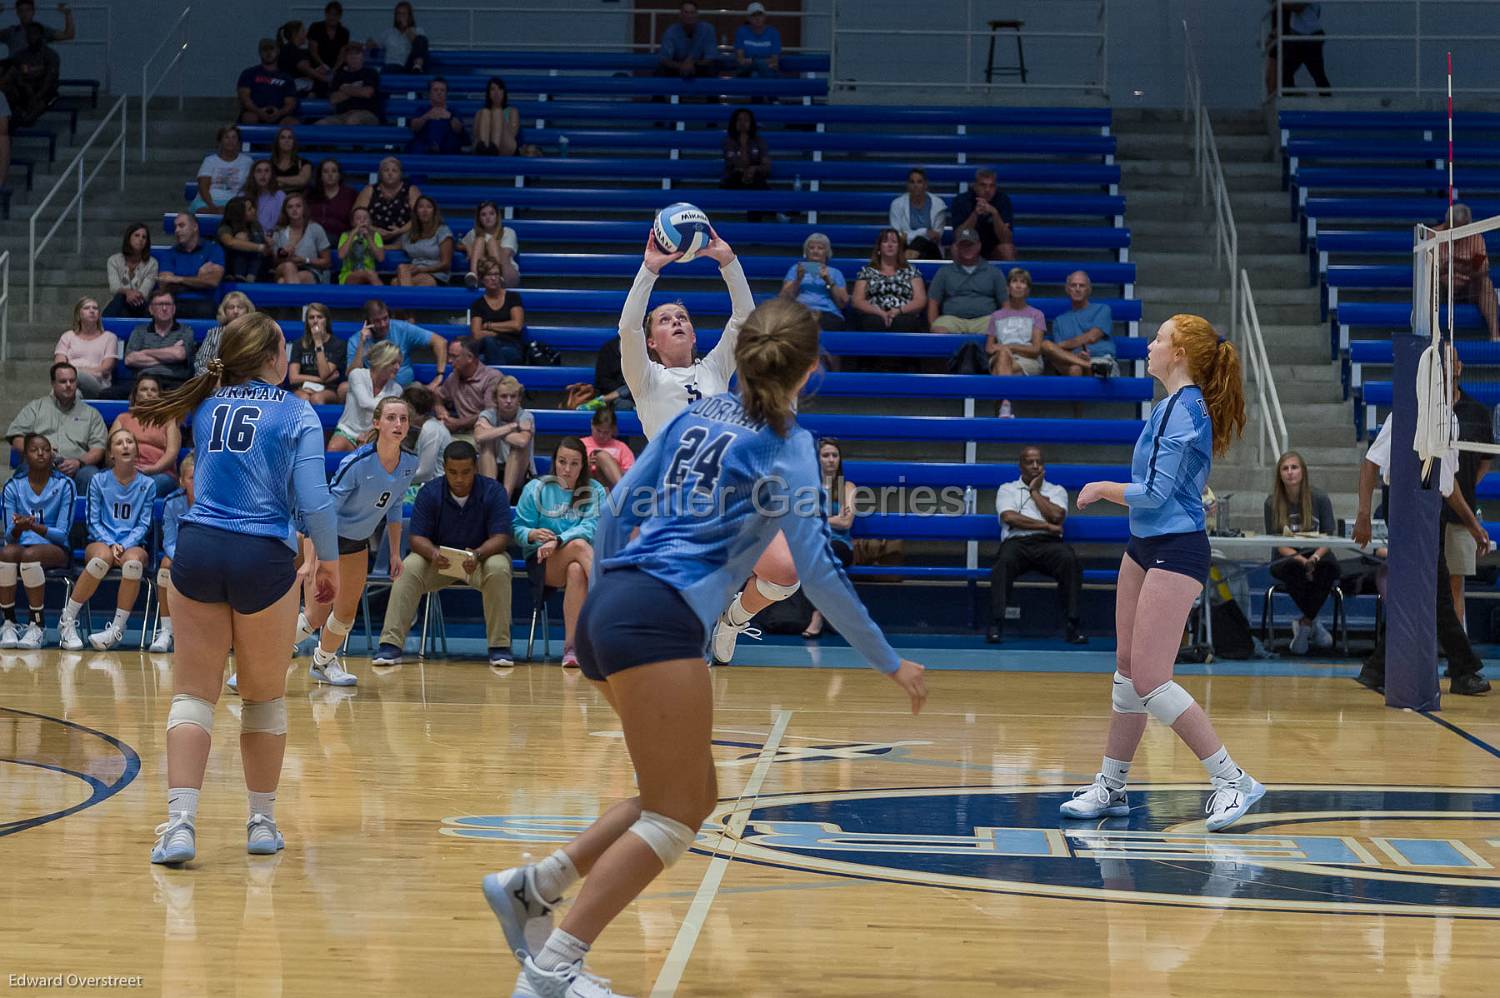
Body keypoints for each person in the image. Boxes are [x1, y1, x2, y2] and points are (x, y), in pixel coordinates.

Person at [480, 297, 928, 998]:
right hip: (656, 619)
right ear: (810, 372)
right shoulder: (789, 446)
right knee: (675, 809)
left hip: (611, 604)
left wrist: (605, 596)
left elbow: (621, 504)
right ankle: (552, 968)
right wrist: (888, 660)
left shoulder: (694, 416)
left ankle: (535, 886)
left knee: (683, 791)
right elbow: (817, 572)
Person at [137, 310, 339, 867]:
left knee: (191, 696)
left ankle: (179, 825)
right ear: (274, 358)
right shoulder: (298, 413)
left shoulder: (205, 405)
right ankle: (261, 822)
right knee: (263, 697)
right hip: (262, 557)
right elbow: (316, 502)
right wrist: (331, 566)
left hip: (198, 547)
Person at [1065, 314, 1263, 832]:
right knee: (1128, 667)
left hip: (1178, 548)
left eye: (1159, 338)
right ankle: (1111, 786)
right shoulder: (1169, 406)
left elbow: (1154, 493)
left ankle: (1232, 779)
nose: (1150, 344)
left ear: (1178, 354)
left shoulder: (1186, 409)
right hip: (1144, 545)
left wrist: (1103, 488)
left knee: (1152, 677)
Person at [620, 230, 800, 662]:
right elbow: (627, 326)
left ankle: (735, 619)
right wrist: (649, 270)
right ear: (651, 342)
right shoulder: (646, 380)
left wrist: (728, 260)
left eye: (681, 318)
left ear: (695, 335)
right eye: (665, 320)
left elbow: (745, 319)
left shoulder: (715, 366)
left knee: (786, 576)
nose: (676, 322)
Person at [1353, 411, 1491, 696]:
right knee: (1437, 590)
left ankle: (1377, 668)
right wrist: (1364, 514)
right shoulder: (1407, 412)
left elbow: (1447, 484)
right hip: (1405, 503)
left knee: (1417, 594)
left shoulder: (1450, 418)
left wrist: (1474, 525)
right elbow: (1370, 463)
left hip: (1432, 507)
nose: (1454, 373)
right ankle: (1463, 669)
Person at [303, 396, 416, 687]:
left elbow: (394, 505)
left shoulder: (409, 463)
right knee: (314, 616)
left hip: (356, 544)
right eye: (391, 418)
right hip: (328, 541)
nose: (398, 424)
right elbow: (323, 512)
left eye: (403, 418)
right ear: (377, 423)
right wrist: (312, 561)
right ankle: (256, 667)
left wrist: (394, 554)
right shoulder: (356, 463)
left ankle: (323, 663)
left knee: (344, 615)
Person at [372, 440, 513, 667]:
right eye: (453, 472)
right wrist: (434, 553)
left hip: (480, 560)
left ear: (476, 468)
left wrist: (478, 553)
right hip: (439, 562)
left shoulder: (493, 491)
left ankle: (500, 647)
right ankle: (390, 645)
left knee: (499, 566)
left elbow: (502, 537)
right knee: (409, 567)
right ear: (444, 469)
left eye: (466, 472)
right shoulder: (430, 492)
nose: (459, 479)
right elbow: (416, 537)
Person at [54, 429, 154, 651]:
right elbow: (93, 521)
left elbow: (144, 524)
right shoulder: (98, 480)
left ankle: (116, 629)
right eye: (119, 443)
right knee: (102, 557)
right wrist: (111, 543)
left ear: (136, 450)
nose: (125, 446)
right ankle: (67, 620)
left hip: (133, 543)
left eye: (130, 442)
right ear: (111, 453)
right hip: (101, 541)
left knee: (134, 563)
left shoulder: (148, 484)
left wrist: (125, 544)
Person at [513, 436, 605, 668]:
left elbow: (592, 527)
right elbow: (518, 529)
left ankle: (572, 648)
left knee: (576, 567)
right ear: (554, 461)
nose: (567, 468)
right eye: (562, 461)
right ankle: (609, 603)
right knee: (579, 546)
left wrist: (559, 540)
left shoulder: (594, 490)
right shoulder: (536, 488)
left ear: (583, 464)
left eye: (574, 463)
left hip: (580, 563)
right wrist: (532, 535)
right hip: (543, 563)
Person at [986, 446, 1086, 645]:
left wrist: (1034, 491)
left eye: (1039, 462)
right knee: (1003, 562)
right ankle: (996, 624)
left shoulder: (1056, 490)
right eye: (1029, 462)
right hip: (1017, 541)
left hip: (1049, 543)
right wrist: (1047, 525)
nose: (1035, 466)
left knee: (1070, 561)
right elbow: (1009, 517)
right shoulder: (1007, 489)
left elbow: (1058, 516)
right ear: (1020, 465)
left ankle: (1072, 625)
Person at [0, 433, 76, 649]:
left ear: (52, 453)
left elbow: (62, 534)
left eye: (46, 449)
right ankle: (9, 622)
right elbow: (8, 536)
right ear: (25, 455)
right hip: (21, 545)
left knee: (29, 556)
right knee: (5, 554)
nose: (41, 453)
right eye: (35, 449)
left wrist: (35, 527)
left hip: (56, 549)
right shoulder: (13, 486)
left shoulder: (65, 485)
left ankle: (37, 625)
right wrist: (19, 528)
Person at [1264, 449, 1339, 653]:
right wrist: (1302, 561)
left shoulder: (1320, 498)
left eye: (1294, 467)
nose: (1290, 472)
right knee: (1292, 571)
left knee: (1329, 569)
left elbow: (1330, 537)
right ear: (1279, 474)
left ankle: (1305, 623)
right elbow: (1278, 543)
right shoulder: (1272, 502)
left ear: (1303, 472)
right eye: (1285, 468)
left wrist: (1314, 558)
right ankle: (1312, 623)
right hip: (1288, 556)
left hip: (1318, 553)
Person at [5, 362, 106, 491]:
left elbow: (98, 449)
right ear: (53, 384)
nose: (68, 385)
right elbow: (16, 437)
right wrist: (39, 451)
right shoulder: (36, 407)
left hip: (78, 468)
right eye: (63, 381)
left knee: (91, 475)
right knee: (25, 471)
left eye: (72, 381)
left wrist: (79, 463)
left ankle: (81, 511)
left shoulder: (92, 414)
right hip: (40, 464)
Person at [1446, 356, 1492, 627]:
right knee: (1425, 582)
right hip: (1429, 512)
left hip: (1461, 515)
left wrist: (1463, 491)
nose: (1446, 367)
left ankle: (1455, 651)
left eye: (1450, 361)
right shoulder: (1426, 410)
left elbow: (1486, 460)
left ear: (1460, 367)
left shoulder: (1477, 412)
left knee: (1456, 583)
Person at [801, 437, 856, 639]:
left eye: (835, 455)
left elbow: (846, 523)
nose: (831, 459)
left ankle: (817, 617)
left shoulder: (848, 488)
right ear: (817, 459)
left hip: (839, 545)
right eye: (826, 455)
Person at [985, 267, 1045, 418]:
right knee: (1003, 356)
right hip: (1001, 357)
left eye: (1023, 282)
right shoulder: (996, 316)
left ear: (1028, 289)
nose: (1018, 285)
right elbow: (989, 347)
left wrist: (1010, 346)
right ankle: (1006, 403)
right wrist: (1005, 350)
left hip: (1028, 360)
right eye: (1014, 281)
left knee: (1002, 365)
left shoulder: (1037, 315)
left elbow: (1036, 349)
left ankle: (1001, 403)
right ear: (1007, 287)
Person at [150, 452, 195, 653]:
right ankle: (167, 630)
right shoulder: (173, 502)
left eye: (201, 477)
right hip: (181, 555)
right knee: (166, 564)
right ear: (182, 481)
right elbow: (169, 541)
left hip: (208, 554)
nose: (197, 482)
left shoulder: (214, 502)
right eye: (192, 478)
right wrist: (184, 560)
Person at [347, 298, 446, 387]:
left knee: (419, 389)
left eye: (385, 318)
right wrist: (362, 343)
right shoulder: (356, 340)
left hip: (405, 389)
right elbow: (352, 375)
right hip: (372, 390)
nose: (383, 324)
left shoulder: (402, 328)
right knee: (344, 389)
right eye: (377, 321)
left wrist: (439, 375)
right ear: (367, 321)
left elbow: (440, 342)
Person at [109, 376, 181, 496]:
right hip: (125, 471)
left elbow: (172, 453)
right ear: (136, 396)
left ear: (159, 396)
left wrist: (152, 469)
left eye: (154, 390)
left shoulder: (169, 420)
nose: (149, 393)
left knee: (154, 484)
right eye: (144, 389)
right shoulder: (122, 419)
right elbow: (110, 449)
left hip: (159, 474)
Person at [1436, 204, 1499, 340]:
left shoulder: (1476, 239)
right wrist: (1446, 268)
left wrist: (1457, 267)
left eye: (1461, 229)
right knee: (1429, 283)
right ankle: (1430, 336)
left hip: (1467, 287)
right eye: (1454, 228)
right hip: (1442, 288)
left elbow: (1481, 269)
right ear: (1447, 224)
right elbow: (1428, 269)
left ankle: (1495, 336)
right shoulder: (1433, 236)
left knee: (1486, 283)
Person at [926, 228, 1005, 335]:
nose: (967, 248)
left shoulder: (994, 272)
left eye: (970, 244)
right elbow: (933, 301)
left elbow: (1005, 303)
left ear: (979, 246)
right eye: (963, 245)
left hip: (985, 320)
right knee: (939, 330)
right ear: (957, 247)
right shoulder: (944, 272)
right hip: (952, 320)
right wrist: (933, 325)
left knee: (1000, 329)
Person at [851, 228, 927, 334]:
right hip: (874, 314)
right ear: (879, 247)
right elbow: (857, 301)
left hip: (904, 314)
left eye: (894, 242)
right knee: (873, 322)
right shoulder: (866, 271)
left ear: (899, 248)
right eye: (885, 241)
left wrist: (898, 311)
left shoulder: (911, 271)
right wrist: (880, 312)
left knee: (903, 322)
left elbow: (920, 300)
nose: (890, 245)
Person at [1043, 270, 1117, 378]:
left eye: (1081, 286)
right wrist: (1076, 356)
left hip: (1101, 359)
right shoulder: (1059, 321)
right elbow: (1059, 352)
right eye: (1073, 285)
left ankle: (1091, 366)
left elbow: (1092, 337)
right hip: (1074, 360)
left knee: (1075, 367)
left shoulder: (1103, 309)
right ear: (1067, 289)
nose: (1077, 289)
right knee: (1073, 367)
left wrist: (1062, 345)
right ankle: (1089, 366)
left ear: (1089, 289)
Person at [331, 341, 402, 452]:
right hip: (348, 431)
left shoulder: (397, 389)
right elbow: (364, 402)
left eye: (399, 363)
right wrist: (389, 409)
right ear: (382, 361)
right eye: (393, 363)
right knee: (335, 447)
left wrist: (371, 435)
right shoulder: (357, 375)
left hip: (374, 435)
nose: (398, 367)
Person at [474, 375, 535, 497]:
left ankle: (504, 500)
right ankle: (490, 495)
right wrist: (512, 427)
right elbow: (479, 436)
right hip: (491, 469)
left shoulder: (526, 416)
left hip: (519, 474)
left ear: (519, 399)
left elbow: (522, 441)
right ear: (496, 399)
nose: (508, 401)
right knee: (487, 442)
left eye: (513, 396)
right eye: (503, 396)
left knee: (517, 447)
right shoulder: (487, 414)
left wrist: (492, 430)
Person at [155, 213, 225, 319]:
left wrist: (179, 279)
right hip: (176, 303)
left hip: (205, 302)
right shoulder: (169, 254)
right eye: (175, 227)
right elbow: (165, 284)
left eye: (181, 225)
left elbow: (212, 281)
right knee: (158, 309)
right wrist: (199, 278)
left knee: (206, 310)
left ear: (195, 227)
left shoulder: (214, 250)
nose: (177, 230)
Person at [125, 289, 196, 388]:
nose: (164, 308)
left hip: (175, 382)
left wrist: (145, 352)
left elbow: (179, 354)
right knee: (108, 394)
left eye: (168, 304)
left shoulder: (186, 331)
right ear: (151, 309)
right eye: (159, 304)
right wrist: (170, 356)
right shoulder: (139, 331)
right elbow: (130, 359)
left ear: (174, 309)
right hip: (144, 381)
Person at [780, 233, 849, 331]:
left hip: (827, 313)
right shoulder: (795, 269)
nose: (815, 251)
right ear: (806, 251)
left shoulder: (835, 272)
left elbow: (843, 303)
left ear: (827, 252)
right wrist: (798, 280)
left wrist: (828, 280)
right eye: (811, 248)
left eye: (820, 248)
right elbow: (784, 298)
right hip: (800, 312)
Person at [53, 295, 117, 398]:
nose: (92, 311)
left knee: (69, 378)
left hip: (98, 384)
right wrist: (88, 370)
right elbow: (59, 365)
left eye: (95, 308)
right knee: (75, 394)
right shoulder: (67, 336)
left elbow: (105, 368)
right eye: (87, 308)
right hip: (71, 383)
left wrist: (77, 370)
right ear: (79, 314)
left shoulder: (109, 337)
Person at [948, 167, 1016, 262]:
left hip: (993, 249)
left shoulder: (1003, 200)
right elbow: (958, 236)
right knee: (956, 248)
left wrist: (995, 214)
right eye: (983, 185)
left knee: (1007, 249)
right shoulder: (961, 201)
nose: (987, 190)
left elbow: (1006, 239)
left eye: (991, 186)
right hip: (969, 245)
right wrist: (975, 214)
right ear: (975, 186)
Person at [436, 337, 501, 435]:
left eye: (454, 356)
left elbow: (491, 413)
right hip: (461, 433)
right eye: (449, 356)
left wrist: (459, 423)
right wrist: (439, 407)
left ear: (470, 357)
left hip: (486, 434)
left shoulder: (492, 378)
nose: (449, 360)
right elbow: (438, 394)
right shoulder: (454, 376)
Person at [468, 260, 525, 365]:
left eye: (496, 274)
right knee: (487, 344)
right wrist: (499, 331)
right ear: (481, 279)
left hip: (511, 346)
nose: (493, 278)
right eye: (489, 275)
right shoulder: (478, 305)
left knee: (481, 359)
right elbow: (476, 334)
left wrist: (488, 325)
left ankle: (493, 377)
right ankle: (498, 379)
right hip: (487, 347)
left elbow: (517, 325)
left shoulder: (512, 297)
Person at [1268, 2, 1331, 98]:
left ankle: (1327, 100)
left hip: (1311, 37)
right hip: (1297, 36)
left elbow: (1298, 7)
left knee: (1317, 73)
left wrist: (1278, 2)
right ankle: (1288, 99)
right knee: (1285, 72)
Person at [287, 301, 345, 404]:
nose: (315, 321)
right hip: (303, 388)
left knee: (317, 398)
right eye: (311, 317)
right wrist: (320, 380)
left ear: (326, 320)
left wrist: (318, 342)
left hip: (328, 389)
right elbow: (293, 378)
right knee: (303, 399)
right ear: (307, 322)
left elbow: (324, 374)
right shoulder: (299, 344)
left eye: (319, 317)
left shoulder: (337, 344)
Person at [355, 156, 421, 244]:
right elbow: (356, 216)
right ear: (380, 174)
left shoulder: (411, 190)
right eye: (386, 170)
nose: (390, 173)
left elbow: (418, 216)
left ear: (400, 174)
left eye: (394, 170)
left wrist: (400, 230)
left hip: (403, 235)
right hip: (371, 233)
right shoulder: (369, 189)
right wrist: (374, 229)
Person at [271, 192, 332, 285]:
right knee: (289, 266)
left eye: (298, 206)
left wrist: (305, 260)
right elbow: (275, 262)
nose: (294, 209)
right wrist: (283, 255)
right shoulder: (279, 232)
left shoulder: (315, 229)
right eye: (290, 207)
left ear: (304, 209)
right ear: (285, 211)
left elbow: (327, 262)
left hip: (310, 270)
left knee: (282, 282)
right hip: (283, 269)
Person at [191, 126, 254, 214]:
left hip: (235, 202)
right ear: (220, 141)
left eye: (234, 137)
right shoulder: (210, 160)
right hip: (208, 202)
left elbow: (250, 186)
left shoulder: (247, 161)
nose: (230, 141)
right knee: (202, 211)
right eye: (226, 137)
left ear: (239, 141)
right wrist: (212, 207)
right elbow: (203, 187)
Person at [721, 108, 771, 218]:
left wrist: (753, 169)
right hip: (734, 179)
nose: (743, 123)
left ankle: (756, 222)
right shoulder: (728, 142)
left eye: (746, 120)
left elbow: (766, 166)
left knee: (757, 184)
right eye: (739, 120)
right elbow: (738, 164)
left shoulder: (759, 141)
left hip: (754, 178)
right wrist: (743, 143)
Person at [236, 39, 299, 125]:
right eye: (265, 49)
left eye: (271, 49)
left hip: (279, 116)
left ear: (278, 51)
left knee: (292, 123)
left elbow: (290, 103)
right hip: (254, 113)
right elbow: (244, 98)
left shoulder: (287, 78)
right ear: (260, 53)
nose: (268, 52)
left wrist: (279, 113)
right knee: (250, 118)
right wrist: (259, 112)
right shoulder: (248, 73)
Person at [889, 168, 947, 260]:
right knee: (917, 245)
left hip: (931, 251)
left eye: (919, 182)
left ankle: (907, 268)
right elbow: (897, 237)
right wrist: (924, 232)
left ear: (925, 185)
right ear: (907, 185)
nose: (915, 185)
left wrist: (908, 236)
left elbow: (936, 237)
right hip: (904, 248)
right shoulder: (897, 204)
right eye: (912, 182)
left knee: (920, 241)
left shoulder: (938, 205)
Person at [460, 200, 520, 290]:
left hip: (506, 274)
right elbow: (458, 244)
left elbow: (505, 254)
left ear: (497, 216)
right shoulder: (473, 233)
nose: (488, 217)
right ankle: (474, 276)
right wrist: (468, 248)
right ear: (479, 219)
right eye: (483, 215)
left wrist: (490, 243)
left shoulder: (508, 232)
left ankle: (497, 275)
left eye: (491, 214)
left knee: (491, 243)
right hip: (484, 276)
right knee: (480, 239)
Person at [403, 384, 451, 494]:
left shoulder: (431, 430)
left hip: (436, 487)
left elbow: (425, 473)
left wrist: (394, 479)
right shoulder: (422, 427)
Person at [195, 291, 254, 380]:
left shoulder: (256, 335)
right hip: (216, 384)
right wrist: (216, 379)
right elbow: (201, 364)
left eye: (240, 307)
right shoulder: (214, 333)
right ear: (224, 311)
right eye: (231, 307)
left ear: (247, 310)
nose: (235, 311)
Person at [395, 195, 453, 286]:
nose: (425, 211)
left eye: (429, 207)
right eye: (421, 207)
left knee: (398, 283)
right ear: (416, 212)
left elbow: (446, 264)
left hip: (435, 275)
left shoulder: (443, 231)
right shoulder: (409, 234)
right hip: (414, 273)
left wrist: (421, 269)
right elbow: (393, 246)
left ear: (434, 211)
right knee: (401, 269)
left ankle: (407, 296)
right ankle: (408, 296)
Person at [104, 223, 158, 318]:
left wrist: (130, 293)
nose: (140, 239)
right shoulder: (113, 260)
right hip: (119, 303)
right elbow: (114, 288)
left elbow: (144, 292)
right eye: (137, 235)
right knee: (120, 298)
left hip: (141, 305)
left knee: (135, 302)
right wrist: (127, 292)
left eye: (144, 237)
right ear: (128, 238)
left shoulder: (152, 263)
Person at [319, 43, 381, 125]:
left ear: (363, 57)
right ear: (345, 58)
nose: (353, 57)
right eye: (350, 54)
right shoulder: (339, 75)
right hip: (342, 115)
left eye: (357, 53)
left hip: (367, 114)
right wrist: (357, 89)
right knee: (320, 124)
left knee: (353, 120)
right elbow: (334, 99)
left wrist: (344, 88)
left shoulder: (370, 73)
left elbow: (367, 93)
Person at [217, 196, 272, 283]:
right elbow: (230, 242)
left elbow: (266, 250)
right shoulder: (225, 227)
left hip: (257, 267)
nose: (254, 210)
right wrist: (259, 247)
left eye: (253, 207)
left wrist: (267, 244)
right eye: (249, 209)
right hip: (230, 269)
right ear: (240, 214)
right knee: (240, 241)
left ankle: (252, 276)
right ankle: (238, 276)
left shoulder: (255, 225)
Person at [407, 77, 467, 155]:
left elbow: (458, 129)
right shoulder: (422, 110)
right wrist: (427, 116)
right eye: (435, 90)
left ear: (446, 94)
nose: (439, 93)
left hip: (448, 151)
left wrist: (450, 116)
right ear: (429, 93)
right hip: (424, 149)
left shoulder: (453, 111)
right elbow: (414, 127)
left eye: (442, 90)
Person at [580, 404, 633, 489]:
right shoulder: (581, 444)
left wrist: (611, 465)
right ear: (592, 425)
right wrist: (586, 464)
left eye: (606, 432)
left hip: (611, 489)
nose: (601, 435)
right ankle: (622, 491)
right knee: (599, 456)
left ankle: (621, 490)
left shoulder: (621, 447)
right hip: (588, 487)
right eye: (598, 430)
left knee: (602, 456)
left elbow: (631, 475)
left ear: (613, 430)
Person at [657, 0, 716, 78]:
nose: (689, 16)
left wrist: (693, 63)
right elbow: (665, 59)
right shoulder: (671, 31)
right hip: (677, 67)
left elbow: (710, 57)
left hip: (699, 66)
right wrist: (682, 65)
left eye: (692, 12)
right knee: (660, 70)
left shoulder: (707, 29)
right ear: (680, 15)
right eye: (686, 12)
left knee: (712, 67)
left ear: (697, 15)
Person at [307, 158, 359, 245]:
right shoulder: (310, 195)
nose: (330, 174)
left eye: (334, 171)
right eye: (326, 172)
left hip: (341, 237)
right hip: (313, 235)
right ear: (320, 176)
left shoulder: (350, 194)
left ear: (339, 175)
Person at [369, 1, 428, 74]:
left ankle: (417, 66)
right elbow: (376, 45)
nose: (401, 16)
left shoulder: (418, 30)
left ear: (409, 16)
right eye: (398, 13)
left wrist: (406, 28)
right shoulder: (388, 32)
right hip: (392, 66)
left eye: (404, 14)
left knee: (422, 39)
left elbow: (419, 45)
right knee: (390, 68)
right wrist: (370, 43)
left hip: (409, 66)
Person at [276, 20, 330, 98]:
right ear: (295, 34)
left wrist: (318, 71)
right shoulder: (290, 49)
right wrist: (326, 79)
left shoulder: (293, 49)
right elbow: (306, 69)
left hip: (295, 84)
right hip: (292, 88)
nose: (306, 33)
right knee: (323, 84)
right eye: (303, 31)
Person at [337, 204, 384, 285]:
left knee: (370, 274)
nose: (362, 221)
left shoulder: (375, 235)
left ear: (370, 221)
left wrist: (368, 237)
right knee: (370, 274)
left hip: (370, 274)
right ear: (352, 222)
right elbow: (341, 256)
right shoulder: (345, 235)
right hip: (349, 274)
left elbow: (380, 258)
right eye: (358, 218)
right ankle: (385, 296)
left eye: (365, 218)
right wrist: (352, 234)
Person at [472, 77, 520, 157]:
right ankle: (486, 150)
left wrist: (497, 122)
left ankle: (493, 149)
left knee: (497, 112)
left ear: (504, 92)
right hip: (485, 144)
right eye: (492, 89)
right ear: (489, 93)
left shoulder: (512, 111)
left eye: (500, 89)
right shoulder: (480, 112)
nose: (496, 92)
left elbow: (512, 134)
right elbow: (475, 136)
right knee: (485, 112)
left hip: (506, 146)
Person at [734, 3, 781, 77]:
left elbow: (774, 60)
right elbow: (740, 59)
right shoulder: (741, 32)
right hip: (746, 70)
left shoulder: (773, 33)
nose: (757, 18)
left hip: (767, 70)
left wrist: (754, 62)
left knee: (762, 68)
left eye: (760, 15)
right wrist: (761, 62)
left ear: (765, 17)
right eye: (753, 15)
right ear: (748, 18)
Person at [244, 158, 285, 233]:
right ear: (253, 175)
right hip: (251, 236)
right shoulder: (244, 195)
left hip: (274, 236)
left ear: (271, 175)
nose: (263, 175)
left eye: (266, 171)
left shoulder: (280, 195)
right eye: (259, 171)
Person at [307, 1, 350, 74]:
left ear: (340, 16)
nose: (332, 17)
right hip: (317, 64)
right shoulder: (315, 27)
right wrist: (323, 66)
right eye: (330, 14)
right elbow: (313, 51)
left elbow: (342, 55)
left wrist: (334, 70)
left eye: (335, 15)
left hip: (336, 66)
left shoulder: (344, 32)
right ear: (325, 14)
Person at [270, 126, 312, 193]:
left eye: (290, 138)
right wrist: (293, 183)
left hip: (297, 201)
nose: (287, 140)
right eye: (283, 137)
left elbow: (302, 180)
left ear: (294, 142)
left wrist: (277, 179)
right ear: (277, 142)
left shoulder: (304, 163)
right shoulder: (268, 164)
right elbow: (266, 182)